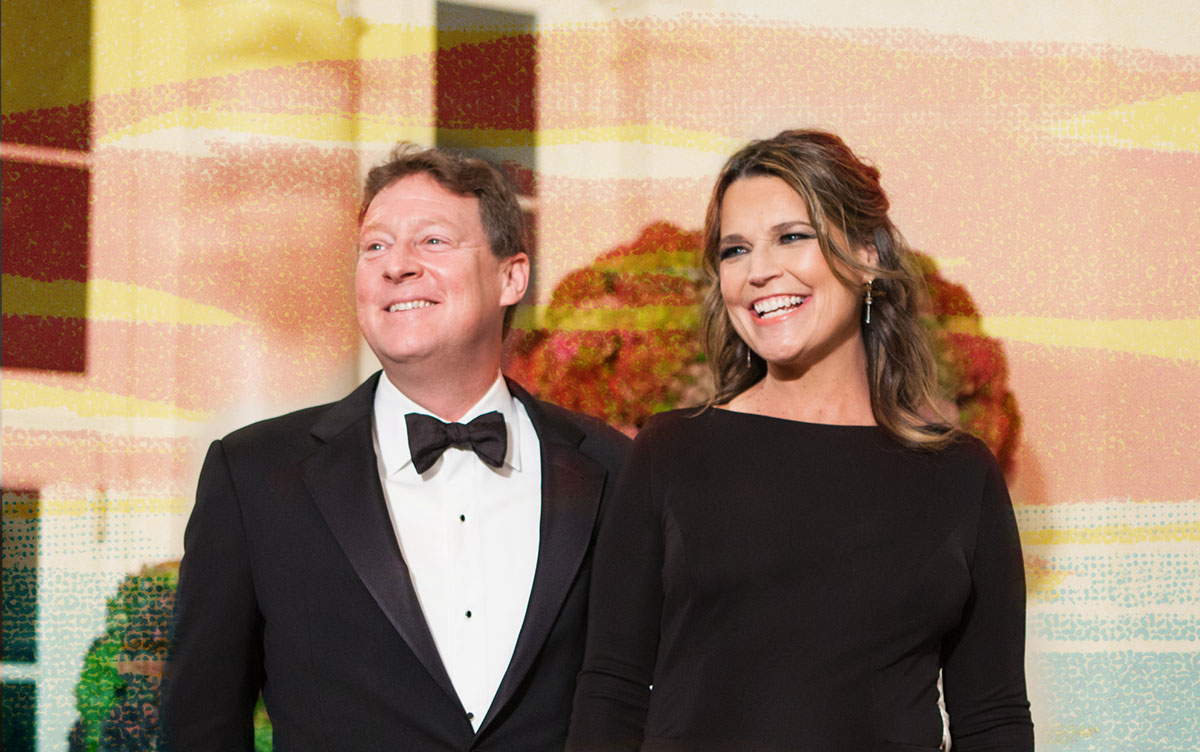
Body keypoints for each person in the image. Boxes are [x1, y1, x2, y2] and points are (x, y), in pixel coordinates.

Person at [566, 130, 1033, 752]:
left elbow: (994, 718)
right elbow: (613, 691)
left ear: (866, 255)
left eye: (792, 237)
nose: (759, 272)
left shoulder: (959, 473)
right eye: (735, 250)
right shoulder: (672, 452)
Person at [163, 145, 629, 751]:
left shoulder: (614, 468)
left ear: (512, 276)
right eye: (375, 246)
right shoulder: (252, 475)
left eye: (432, 242)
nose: (396, 266)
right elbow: (201, 725)